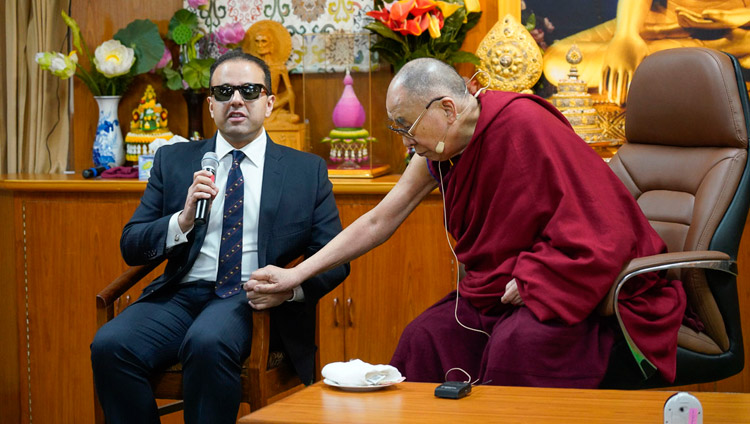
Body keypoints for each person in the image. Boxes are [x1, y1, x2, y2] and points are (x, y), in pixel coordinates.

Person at [245, 58, 687, 388]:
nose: (407, 142)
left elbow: (605, 229)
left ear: (448, 109)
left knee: (519, 347)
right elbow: (380, 219)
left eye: (406, 127)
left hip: (569, 288)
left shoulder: (523, 125)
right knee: (425, 337)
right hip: (500, 292)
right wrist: (296, 274)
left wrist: (538, 277)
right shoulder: (439, 147)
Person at [90, 50, 349, 424]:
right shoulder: (175, 161)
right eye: (224, 92)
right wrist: (181, 220)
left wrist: (287, 289)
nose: (237, 100)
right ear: (211, 106)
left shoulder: (305, 172)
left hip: (250, 299)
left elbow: (335, 258)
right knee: (110, 346)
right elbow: (132, 245)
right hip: (180, 295)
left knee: (207, 341)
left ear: (269, 102)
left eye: (249, 90)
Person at [542, 0, 750, 104]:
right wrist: (626, 35)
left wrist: (741, 17)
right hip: (661, 18)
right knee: (556, 60)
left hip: (728, 24)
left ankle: (724, 47)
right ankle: (717, 54)